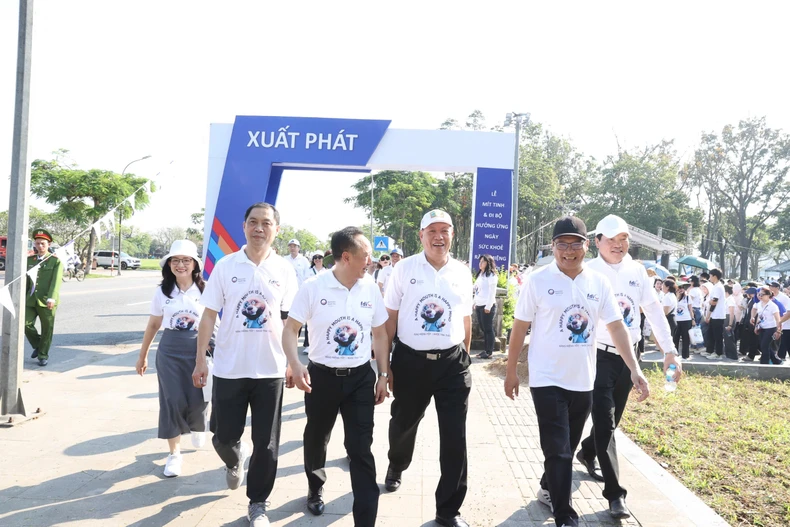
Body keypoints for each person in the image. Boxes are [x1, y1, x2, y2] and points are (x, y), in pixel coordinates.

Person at [505, 216, 650, 527]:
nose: (568, 251)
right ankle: (564, 515)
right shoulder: (539, 280)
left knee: (567, 448)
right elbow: (519, 329)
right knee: (556, 449)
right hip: (546, 378)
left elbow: (617, 328)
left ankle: (549, 488)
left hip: (583, 380)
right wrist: (511, 370)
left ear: (587, 246)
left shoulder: (599, 283)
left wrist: (634, 369)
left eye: (575, 244)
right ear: (553, 247)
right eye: (561, 244)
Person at [191, 202, 298, 527]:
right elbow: (209, 315)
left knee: (266, 442)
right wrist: (200, 361)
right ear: (244, 226)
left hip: (270, 369)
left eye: (266, 223)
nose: (259, 228)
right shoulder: (225, 266)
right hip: (228, 368)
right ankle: (233, 459)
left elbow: (292, 323)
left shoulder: (284, 270)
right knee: (222, 436)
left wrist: (293, 363)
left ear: (276, 230)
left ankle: (258, 504)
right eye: (253, 222)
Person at [282, 227, 390, 525]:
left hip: (360, 379)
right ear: (346, 257)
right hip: (321, 378)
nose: (371, 260)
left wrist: (382, 373)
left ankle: (365, 517)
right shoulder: (313, 287)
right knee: (317, 438)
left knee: (360, 447)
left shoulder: (370, 288)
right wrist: (295, 363)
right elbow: (290, 330)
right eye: (366, 255)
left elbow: (380, 334)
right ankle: (315, 488)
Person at [572, 215, 675, 520]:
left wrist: (669, 350)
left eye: (624, 239)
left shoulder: (637, 271)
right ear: (597, 241)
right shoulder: (586, 271)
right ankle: (616, 495)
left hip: (629, 359)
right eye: (612, 240)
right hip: (598, 358)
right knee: (605, 422)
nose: (618, 246)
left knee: (613, 420)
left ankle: (588, 451)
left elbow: (653, 310)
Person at [383, 209, 473, 527]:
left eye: (444, 230)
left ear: (452, 235)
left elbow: (465, 319)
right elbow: (390, 318)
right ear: (421, 235)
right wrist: (385, 365)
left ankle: (448, 510)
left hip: (452, 364)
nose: (438, 236)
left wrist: (465, 357)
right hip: (411, 363)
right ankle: (397, 463)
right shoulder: (403, 269)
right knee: (403, 424)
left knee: (454, 437)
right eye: (431, 230)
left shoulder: (462, 272)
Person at [136, 240, 210, 477]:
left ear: (194, 264)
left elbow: (217, 322)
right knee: (171, 401)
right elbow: (154, 324)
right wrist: (143, 355)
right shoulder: (162, 292)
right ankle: (174, 454)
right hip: (169, 350)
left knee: (198, 398)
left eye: (186, 260)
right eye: (175, 260)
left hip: (199, 348)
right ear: (169, 264)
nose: (180, 265)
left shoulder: (206, 290)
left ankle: (199, 426)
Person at [25, 229, 64, 367]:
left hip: (47, 300)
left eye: (43, 243)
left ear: (49, 244)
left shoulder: (55, 261)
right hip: (30, 299)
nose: (40, 246)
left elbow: (56, 281)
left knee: (47, 328)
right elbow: (26, 282)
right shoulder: (30, 260)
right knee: (25, 324)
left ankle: (42, 355)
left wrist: (52, 298)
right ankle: (37, 345)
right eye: (37, 243)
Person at [300, 251, 328, 355]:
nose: (317, 259)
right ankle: (308, 345)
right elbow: (305, 284)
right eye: (315, 257)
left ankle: (321, 345)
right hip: (311, 299)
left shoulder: (327, 271)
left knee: (322, 322)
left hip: (324, 300)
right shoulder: (309, 271)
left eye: (319, 257)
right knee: (309, 323)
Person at [474, 254, 499, 359]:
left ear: (488, 263)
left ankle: (489, 352)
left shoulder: (491, 276)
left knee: (488, 329)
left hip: (487, 305)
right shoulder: (480, 274)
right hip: (479, 304)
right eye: (480, 261)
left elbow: (492, 292)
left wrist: (488, 306)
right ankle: (485, 350)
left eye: (483, 261)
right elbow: (477, 290)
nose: (480, 263)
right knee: (484, 329)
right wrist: (474, 302)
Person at [751, 287, 783, 365]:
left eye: (762, 294)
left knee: (764, 345)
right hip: (762, 327)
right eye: (759, 294)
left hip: (771, 328)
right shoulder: (759, 304)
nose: (760, 296)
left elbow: (778, 320)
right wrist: (753, 320)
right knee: (763, 345)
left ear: (768, 295)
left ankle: (764, 363)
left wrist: (778, 331)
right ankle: (776, 360)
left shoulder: (773, 306)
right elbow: (755, 310)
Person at [704, 269, 727, 359]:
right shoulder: (715, 286)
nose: (709, 278)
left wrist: (708, 315)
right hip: (714, 315)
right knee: (711, 334)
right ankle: (710, 351)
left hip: (718, 315)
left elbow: (714, 302)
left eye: (710, 276)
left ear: (714, 276)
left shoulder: (718, 287)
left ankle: (718, 353)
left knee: (717, 335)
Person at [770, 281, 790, 360]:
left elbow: (788, 313)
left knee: (786, 342)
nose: (788, 289)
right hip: (783, 324)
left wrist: (780, 321)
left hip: (786, 324)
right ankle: (780, 356)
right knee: (783, 342)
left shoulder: (784, 298)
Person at [674, 282, 694, 360]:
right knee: (676, 337)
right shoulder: (674, 297)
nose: (681, 289)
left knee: (686, 338)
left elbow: (690, 309)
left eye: (682, 288)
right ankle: (675, 354)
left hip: (686, 319)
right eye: (679, 288)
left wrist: (693, 319)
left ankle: (685, 355)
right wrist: (677, 296)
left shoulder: (688, 297)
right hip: (676, 320)